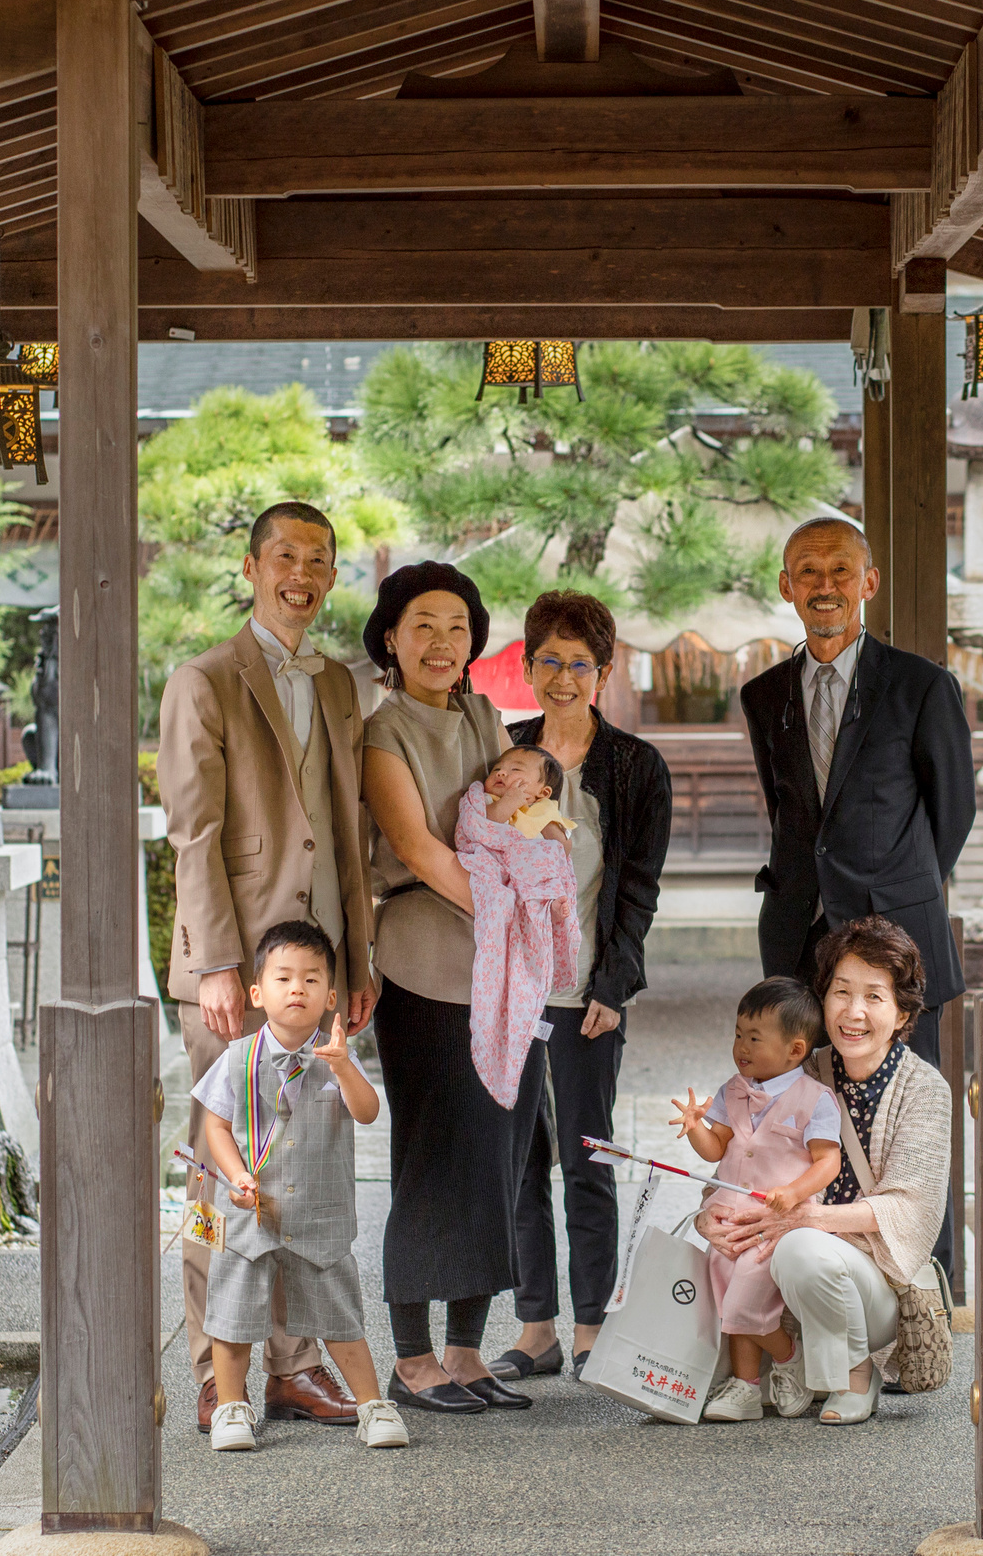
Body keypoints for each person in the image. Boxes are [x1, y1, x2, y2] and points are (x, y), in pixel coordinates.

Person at [157, 501, 376, 1434]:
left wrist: (357, 957)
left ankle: (293, 1366)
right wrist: (214, 961)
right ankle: (219, 1366)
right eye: (284, 556)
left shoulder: (338, 682)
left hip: (317, 970)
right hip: (238, 967)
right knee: (227, 1170)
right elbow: (193, 830)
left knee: (308, 1168)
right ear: (251, 567)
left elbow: (350, 829)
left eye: (318, 559)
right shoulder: (203, 678)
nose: (302, 573)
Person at [740, 515, 974, 1281]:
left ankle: (922, 1295)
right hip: (800, 938)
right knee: (807, 1116)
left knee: (910, 1120)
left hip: (897, 938)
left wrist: (896, 894)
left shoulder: (920, 685)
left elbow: (954, 811)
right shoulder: (764, 693)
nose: (825, 586)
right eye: (807, 572)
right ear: (786, 587)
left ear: (868, 583)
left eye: (840, 571)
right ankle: (817, 1285)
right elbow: (790, 815)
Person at [359, 560, 541, 1414]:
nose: (442, 642)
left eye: (458, 626)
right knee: (435, 1155)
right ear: (390, 637)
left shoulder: (483, 714)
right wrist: (509, 911)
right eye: (423, 625)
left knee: (497, 1154)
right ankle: (411, 1355)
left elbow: (520, 809)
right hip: (427, 956)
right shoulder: (381, 729)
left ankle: (467, 1349)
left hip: (503, 963)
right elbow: (421, 849)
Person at [497, 591, 673, 1385]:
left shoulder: (636, 766)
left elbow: (637, 890)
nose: (562, 677)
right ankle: (535, 1324)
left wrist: (615, 981)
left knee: (585, 1156)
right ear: (528, 667)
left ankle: (593, 1322)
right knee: (519, 1158)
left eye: (579, 663)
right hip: (514, 995)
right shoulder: (503, 750)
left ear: (604, 671)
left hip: (585, 997)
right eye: (549, 661)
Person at [702, 916, 950, 1425]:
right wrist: (709, 1214)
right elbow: (741, 1157)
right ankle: (795, 1362)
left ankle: (856, 1374)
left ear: (903, 1013)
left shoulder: (924, 1090)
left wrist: (807, 1219)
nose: (854, 1012)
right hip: (772, 1270)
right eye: (842, 992)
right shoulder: (799, 1071)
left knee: (802, 1248)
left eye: (875, 997)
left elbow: (910, 1206)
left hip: (870, 1285)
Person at [194, 921, 408, 1453]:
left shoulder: (337, 1056)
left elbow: (367, 1112)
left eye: (311, 980)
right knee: (233, 1311)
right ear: (256, 992)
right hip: (249, 1209)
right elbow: (215, 1127)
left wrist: (344, 1070)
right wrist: (236, 1172)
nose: (297, 989)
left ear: (330, 997)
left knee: (338, 1310)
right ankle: (230, 1406)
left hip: (318, 1211)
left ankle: (372, 1405)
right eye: (284, 977)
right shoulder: (238, 1055)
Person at [668, 976, 842, 1422]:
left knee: (743, 1301)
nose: (741, 1046)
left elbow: (827, 1162)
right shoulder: (733, 1088)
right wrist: (696, 1130)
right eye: (738, 1035)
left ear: (795, 1050)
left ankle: (788, 1359)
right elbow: (717, 1148)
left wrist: (794, 1192)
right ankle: (745, 1388)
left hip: (774, 1221)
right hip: (729, 1216)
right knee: (726, 1297)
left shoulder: (815, 1100)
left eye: (754, 1038)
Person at [455, 746, 581, 1109]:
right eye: (497, 767)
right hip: (493, 864)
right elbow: (480, 828)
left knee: (550, 867)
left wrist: (547, 833)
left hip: (529, 874)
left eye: (515, 770)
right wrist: (509, 799)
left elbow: (561, 849)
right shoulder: (483, 799)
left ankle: (551, 912)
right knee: (501, 898)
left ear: (542, 791)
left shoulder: (544, 810)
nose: (501, 774)